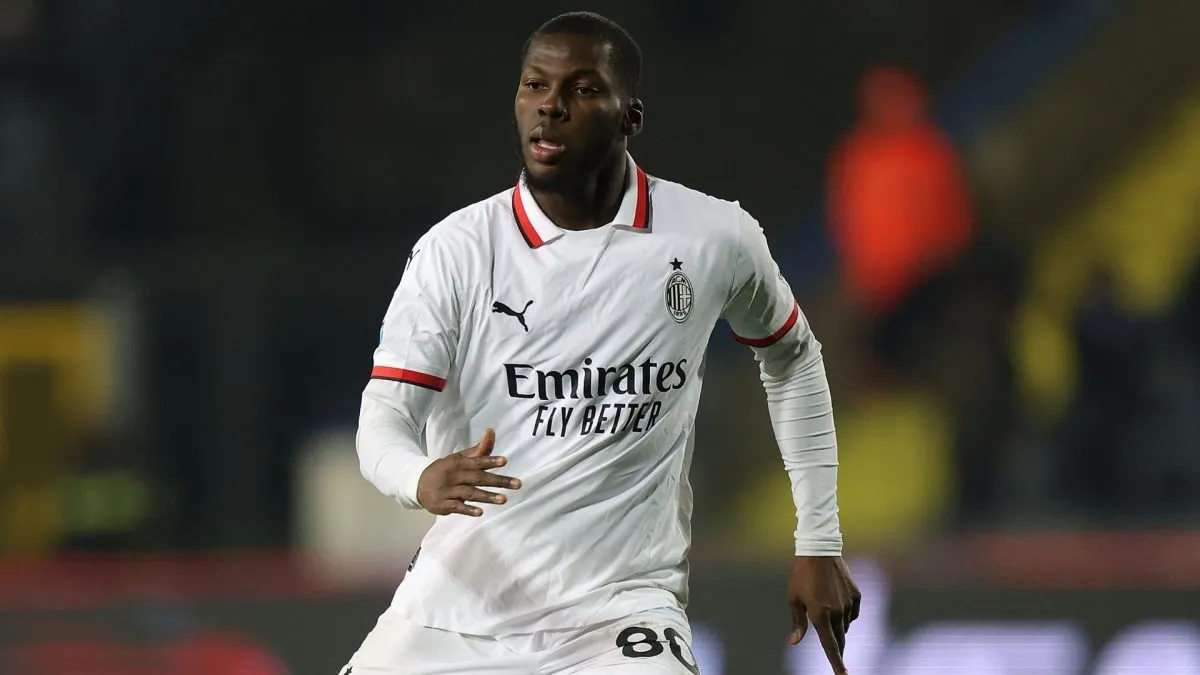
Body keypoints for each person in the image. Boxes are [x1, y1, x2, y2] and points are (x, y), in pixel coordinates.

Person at [344, 12, 860, 675]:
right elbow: (382, 418)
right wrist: (418, 476)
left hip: (619, 617)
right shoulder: (457, 253)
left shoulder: (712, 238)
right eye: (535, 85)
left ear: (630, 116)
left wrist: (818, 537)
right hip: (456, 616)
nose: (551, 106)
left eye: (582, 90)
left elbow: (792, 357)